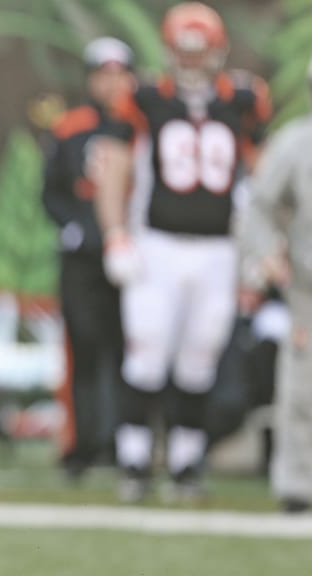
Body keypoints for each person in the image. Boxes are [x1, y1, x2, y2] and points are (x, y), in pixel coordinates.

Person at [93, 1, 272, 502]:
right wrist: (115, 234)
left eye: (201, 52)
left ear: (219, 50)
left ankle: (186, 465)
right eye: (184, 52)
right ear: (171, 50)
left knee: (199, 358)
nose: (192, 62)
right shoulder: (145, 97)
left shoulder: (243, 97)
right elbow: (115, 166)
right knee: (147, 353)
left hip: (218, 249)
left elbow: (259, 175)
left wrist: (260, 247)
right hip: (158, 245)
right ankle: (133, 461)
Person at [42, 37, 135, 481]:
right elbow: (51, 191)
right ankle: (82, 446)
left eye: (118, 74)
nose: (111, 83)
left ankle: (123, 445)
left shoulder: (140, 125)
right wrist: (72, 225)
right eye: (103, 74)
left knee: (128, 354)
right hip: (83, 258)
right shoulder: (71, 126)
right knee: (83, 349)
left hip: (129, 260)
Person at [239, 55, 312, 514]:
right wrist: (267, 252)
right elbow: (258, 206)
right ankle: (299, 485)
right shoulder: (296, 142)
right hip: (309, 287)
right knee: (303, 389)